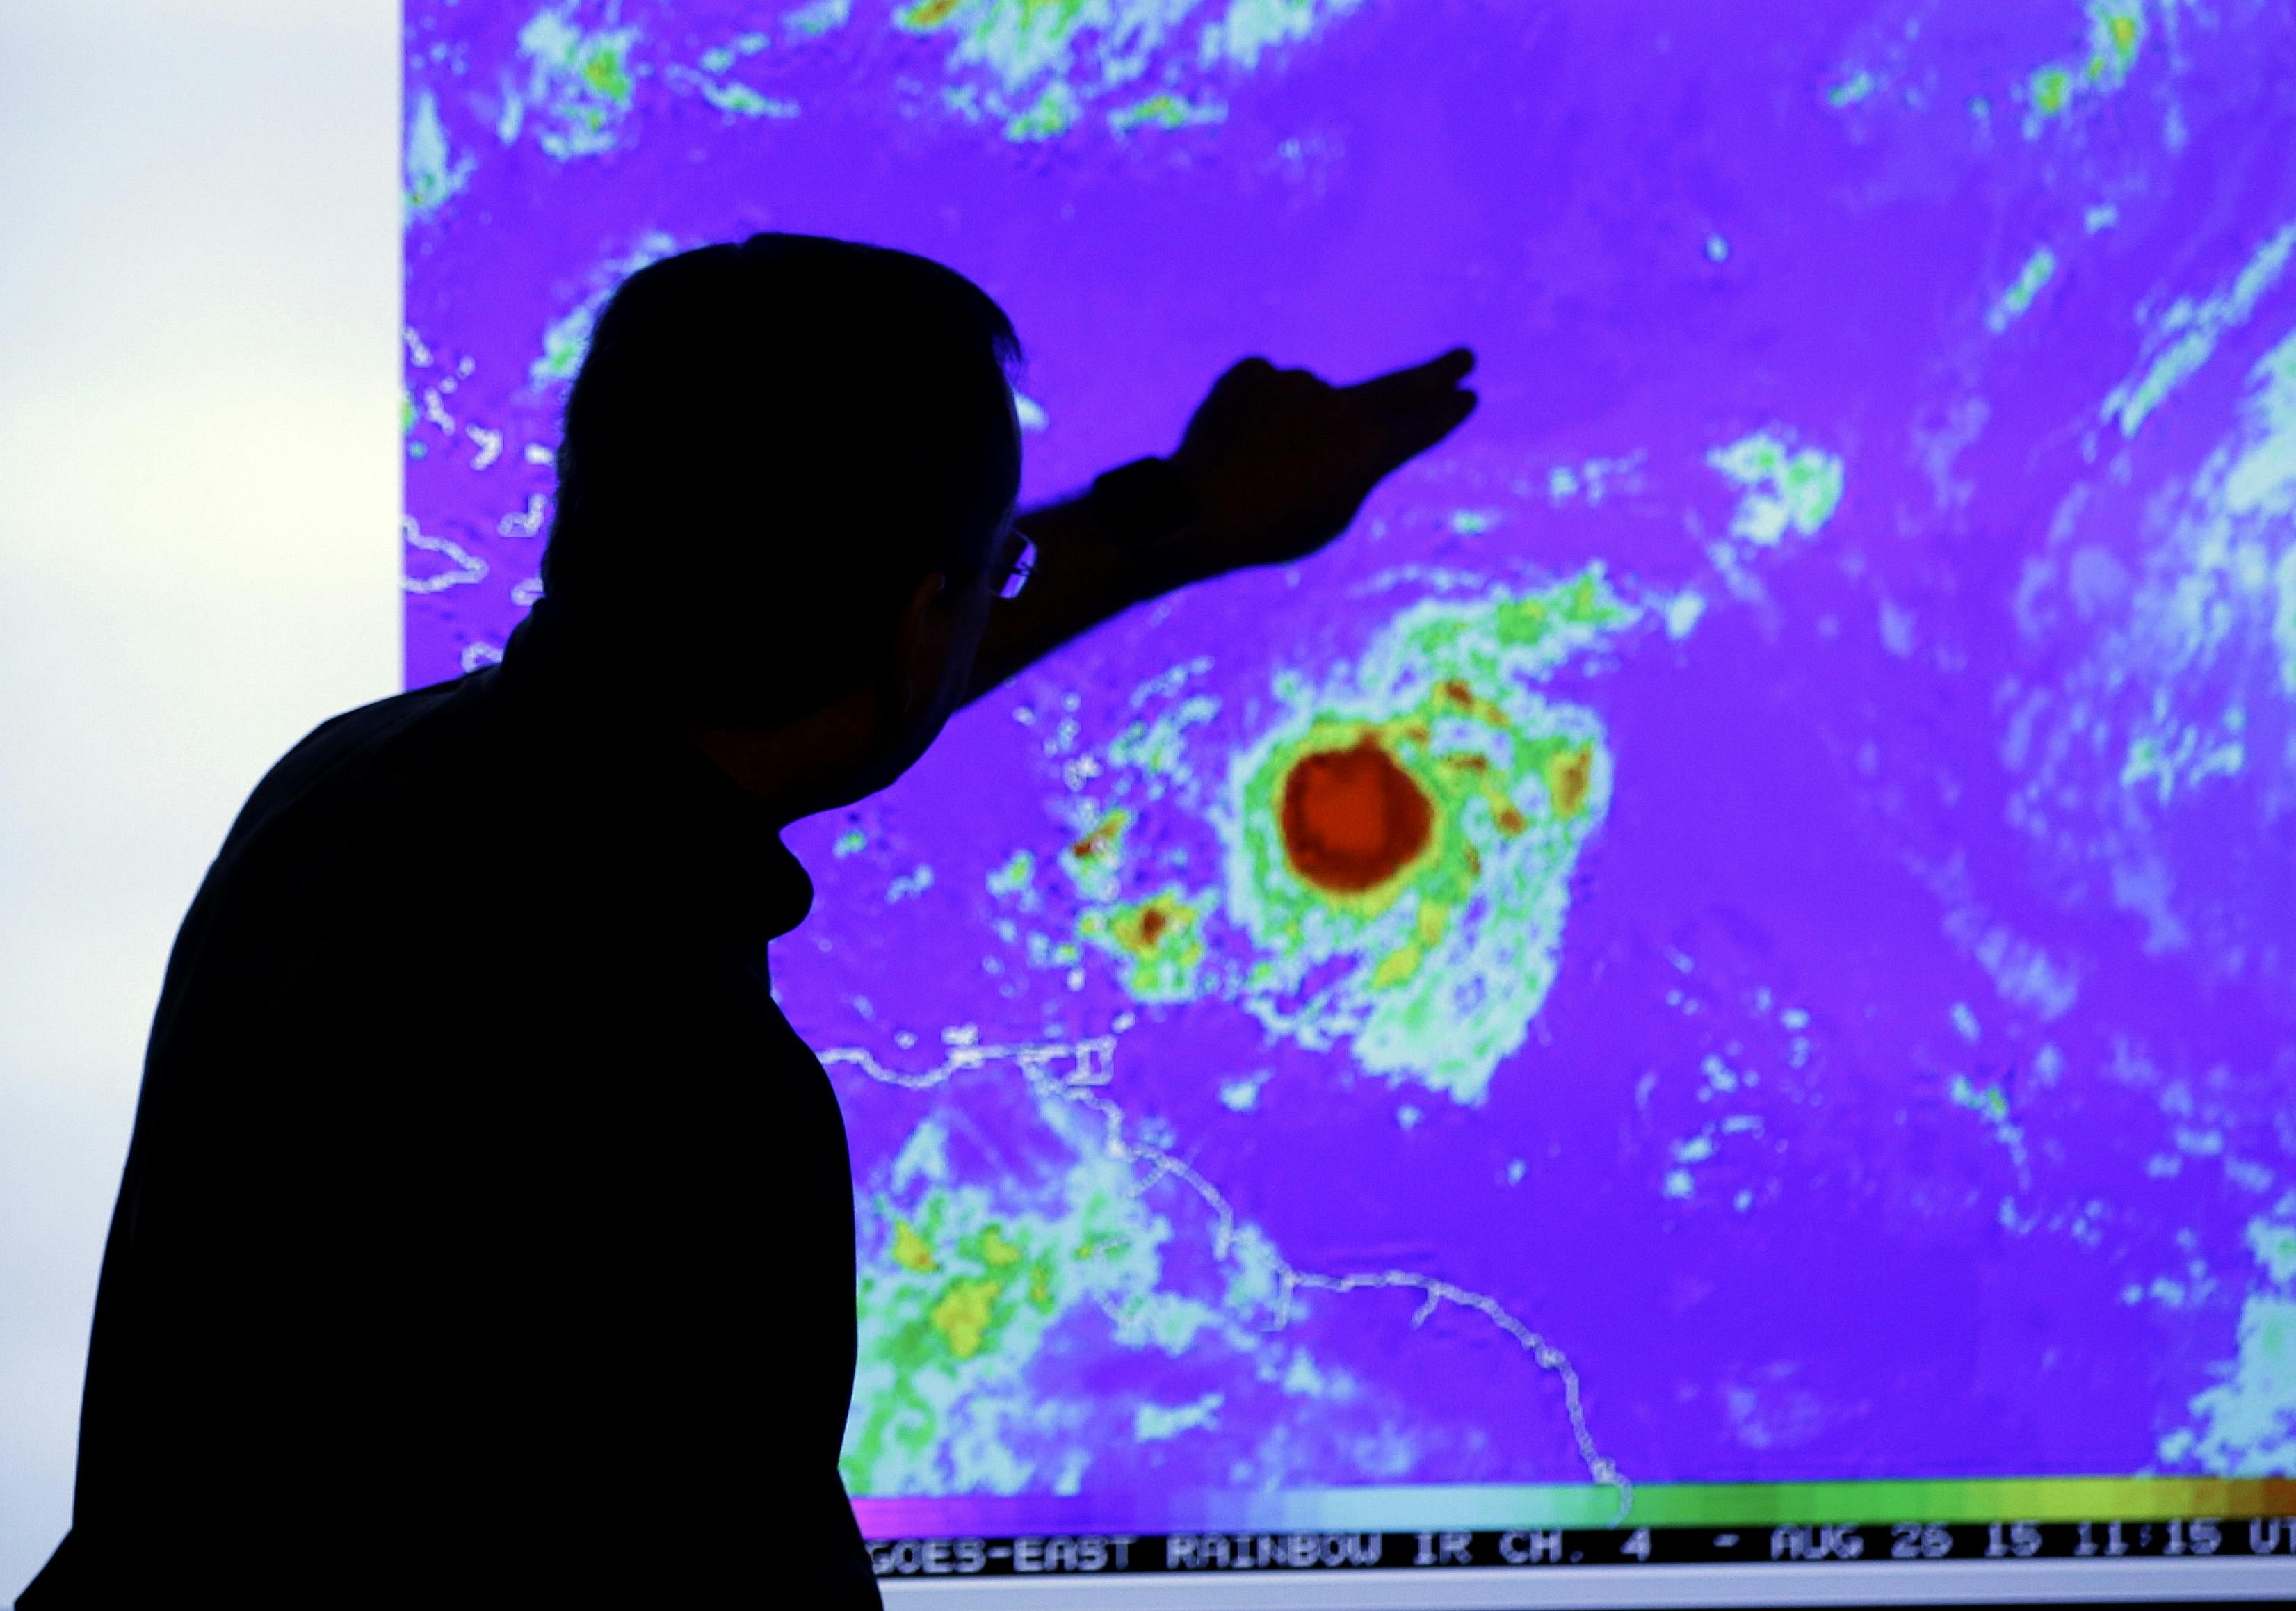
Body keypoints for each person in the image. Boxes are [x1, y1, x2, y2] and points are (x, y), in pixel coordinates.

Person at [19, 233, 1476, 1607]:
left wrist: (1189, 514)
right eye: (979, 582)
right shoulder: (688, 1096)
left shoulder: (347, 792)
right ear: (920, 624)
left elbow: (803, 671)